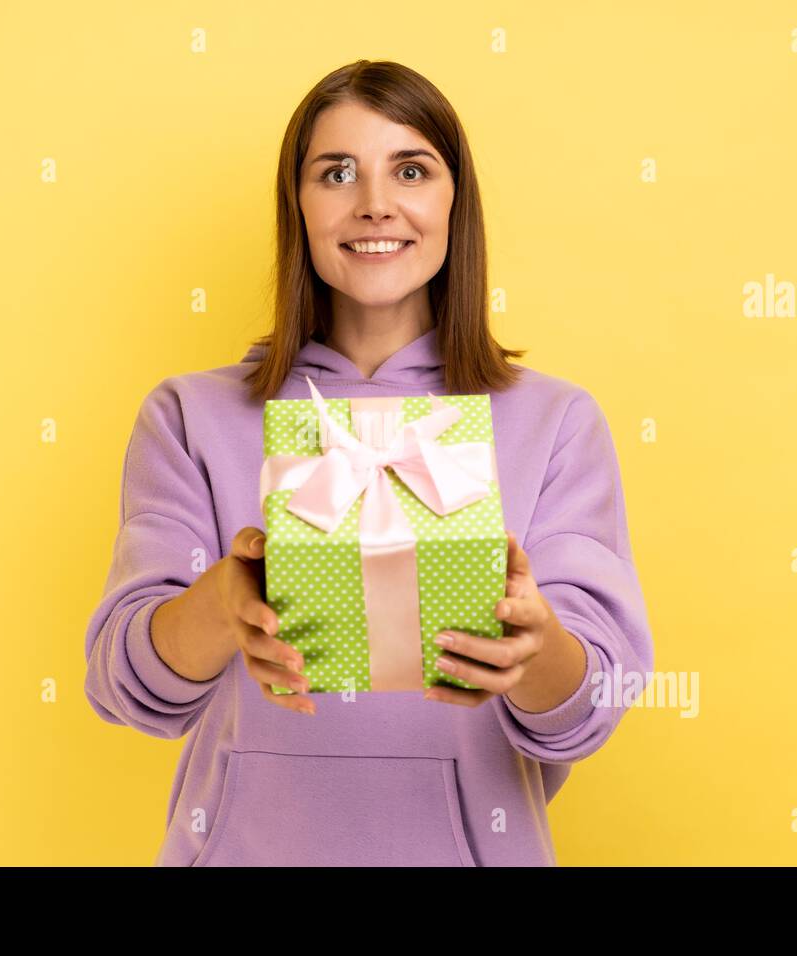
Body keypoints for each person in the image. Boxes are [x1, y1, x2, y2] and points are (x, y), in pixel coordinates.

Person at [83, 59, 654, 866]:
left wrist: (534, 649)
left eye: (411, 170)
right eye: (336, 173)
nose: (375, 203)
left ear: (456, 203)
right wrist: (224, 603)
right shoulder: (190, 415)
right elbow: (126, 688)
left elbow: (597, 700)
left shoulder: (554, 420)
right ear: (298, 207)